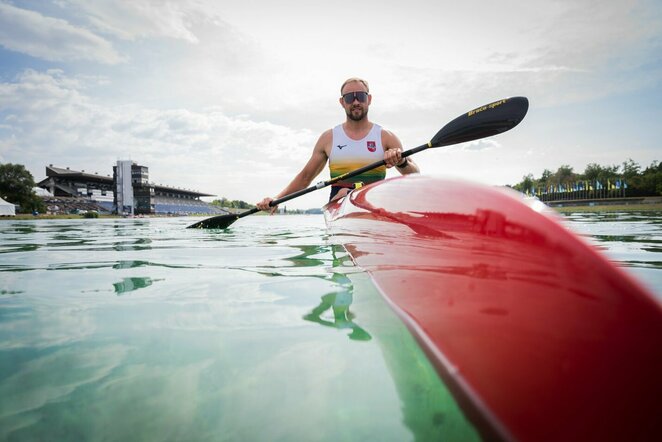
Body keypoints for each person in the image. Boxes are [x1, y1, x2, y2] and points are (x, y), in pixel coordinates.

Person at [256, 77, 419, 212]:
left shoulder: (386, 137)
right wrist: (277, 199)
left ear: (369, 99)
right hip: (338, 206)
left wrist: (401, 161)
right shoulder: (329, 138)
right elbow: (305, 177)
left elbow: (414, 176)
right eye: (349, 97)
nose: (355, 101)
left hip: (373, 206)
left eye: (360, 96)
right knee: (342, 194)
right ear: (342, 102)